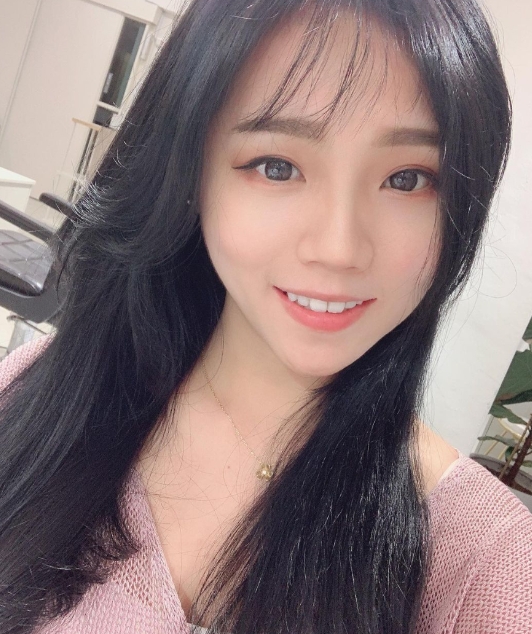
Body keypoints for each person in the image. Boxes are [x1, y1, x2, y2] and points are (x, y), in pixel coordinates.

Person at [1, 0, 531, 632]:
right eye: (277, 167)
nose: (338, 248)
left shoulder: (492, 567)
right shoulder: (41, 396)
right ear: (189, 173)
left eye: (408, 179)